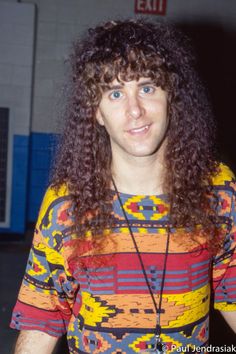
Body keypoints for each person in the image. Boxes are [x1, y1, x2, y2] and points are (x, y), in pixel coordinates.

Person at [10, 19, 236, 354]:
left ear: (170, 95)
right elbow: (40, 322)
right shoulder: (67, 205)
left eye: (146, 87)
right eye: (115, 93)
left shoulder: (217, 189)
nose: (134, 110)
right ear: (97, 113)